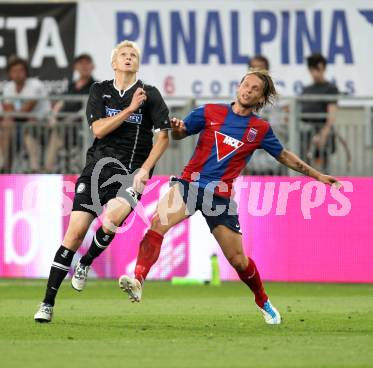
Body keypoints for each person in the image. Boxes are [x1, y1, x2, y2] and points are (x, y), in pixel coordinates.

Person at [118, 69, 340, 325]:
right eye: (246, 85)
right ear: (238, 86)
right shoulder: (209, 111)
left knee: (238, 260)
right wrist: (178, 128)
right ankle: (138, 279)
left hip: (219, 197)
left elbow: (284, 156)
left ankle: (263, 300)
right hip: (189, 184)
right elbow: (180, 133)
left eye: (255, 89)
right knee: (158, 223)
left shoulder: (260, 129)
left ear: (261, 98)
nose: (248, 90)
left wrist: (317, 176)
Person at [34, 40, 171, 322]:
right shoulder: (100, 91)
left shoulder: (151, 94)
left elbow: (164, 136)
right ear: (114, 63)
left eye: (133, 55)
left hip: (132, 170)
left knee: (112, 218)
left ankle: (85, 263)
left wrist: (146, 169)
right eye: (124, 54)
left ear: (138, 63)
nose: (129, 58)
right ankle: (47, 303)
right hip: (97, 168)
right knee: (73, 235)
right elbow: (98, 129)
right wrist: (130, 108)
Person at [45, 54, 96, 173]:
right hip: (62, 124)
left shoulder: (95, 86)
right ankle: (38, 168)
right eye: (81, 63)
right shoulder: (71, 85)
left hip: (79, 126)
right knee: (33, 129)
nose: (84, 66)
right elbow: (61, 103)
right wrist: (53, 117)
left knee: (58, 131)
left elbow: (88, 108)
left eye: (87, 63)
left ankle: (48, 168)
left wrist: (70, 119)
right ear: (75, 67)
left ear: (92, 66)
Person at [1, 57, 50, 172]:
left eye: (20, 70)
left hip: (43, 124)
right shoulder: (8, 87)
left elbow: (27, 109)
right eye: (14, 71)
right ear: (9, 74)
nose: (18, 74)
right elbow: (9, 110)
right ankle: (4, 167)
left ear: (26, 72)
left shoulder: (35, 85)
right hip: (19, 125)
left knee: (29, 126)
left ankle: (34, 168)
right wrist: (14, 113)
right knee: (6, 125)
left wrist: (14, 113)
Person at [301, 53, 339, 169]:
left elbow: (332, 114)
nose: (316, 73)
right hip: (304, 134)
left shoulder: (331, 88)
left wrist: (324, 133)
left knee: (322, 168)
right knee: (304, 166)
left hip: (322, 130)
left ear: (324, 68)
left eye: (319, 69)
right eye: (313, 69)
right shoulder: (306, 89)